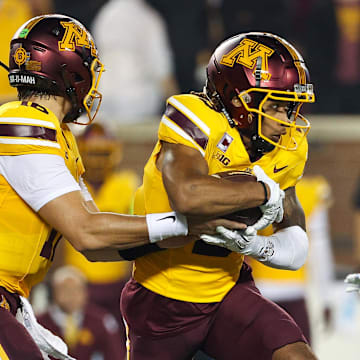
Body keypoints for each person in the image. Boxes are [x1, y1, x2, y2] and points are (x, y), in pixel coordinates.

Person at [0, 14, 247, 360]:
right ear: (70, 71)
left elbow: (100, 246)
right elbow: (88, 232)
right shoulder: (24, 123)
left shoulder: (59, 137)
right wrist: (185, 224)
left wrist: (190, 236)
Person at [120, 32, 318, 360]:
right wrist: (263, 191)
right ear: (238, 98)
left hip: (229, 290)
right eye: (277, 107)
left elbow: (296, 245)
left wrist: (255, 246)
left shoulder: (289, 147)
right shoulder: (195, 116)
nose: (287, 121)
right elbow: (188, 195)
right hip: (161, 298)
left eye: (292, 107)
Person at [64, 122, 139, 358]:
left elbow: (136, 236)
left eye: (103, 153)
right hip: (79, 285)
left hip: (118, 282)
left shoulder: (127, 184)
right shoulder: (70, 185)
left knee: (121, 345)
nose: (97, 161)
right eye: (93, 154)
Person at [249, 175, 335, 343]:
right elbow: (320, 250)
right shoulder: (310, 191)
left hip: (258, 291)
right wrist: (326, 298)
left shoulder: (250, 186)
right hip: (292, 291)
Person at [91, 0, 179, 127]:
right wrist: (180, 115)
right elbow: (163, 72)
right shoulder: (147, 19)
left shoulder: (104, 16)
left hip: (103, 101)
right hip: (138, 104)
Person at [37, 265, 123, 360]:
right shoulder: (39, 323)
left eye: (76, 289)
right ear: (53, 292)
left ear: (85, 292)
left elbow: (115, 355)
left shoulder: (101, 320)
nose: (71, 295)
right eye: (65, 290)